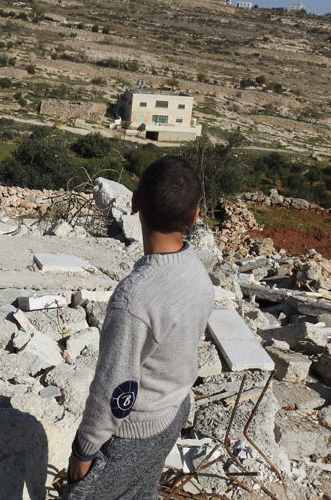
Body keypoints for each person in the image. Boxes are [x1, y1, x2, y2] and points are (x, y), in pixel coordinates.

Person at [64, 156, 215, 500]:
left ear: (133, 204)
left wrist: (84, 449)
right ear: (194, 216)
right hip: (173, 412)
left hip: (133, 433)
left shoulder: (133, 299)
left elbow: (113, 387)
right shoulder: (197, 272)